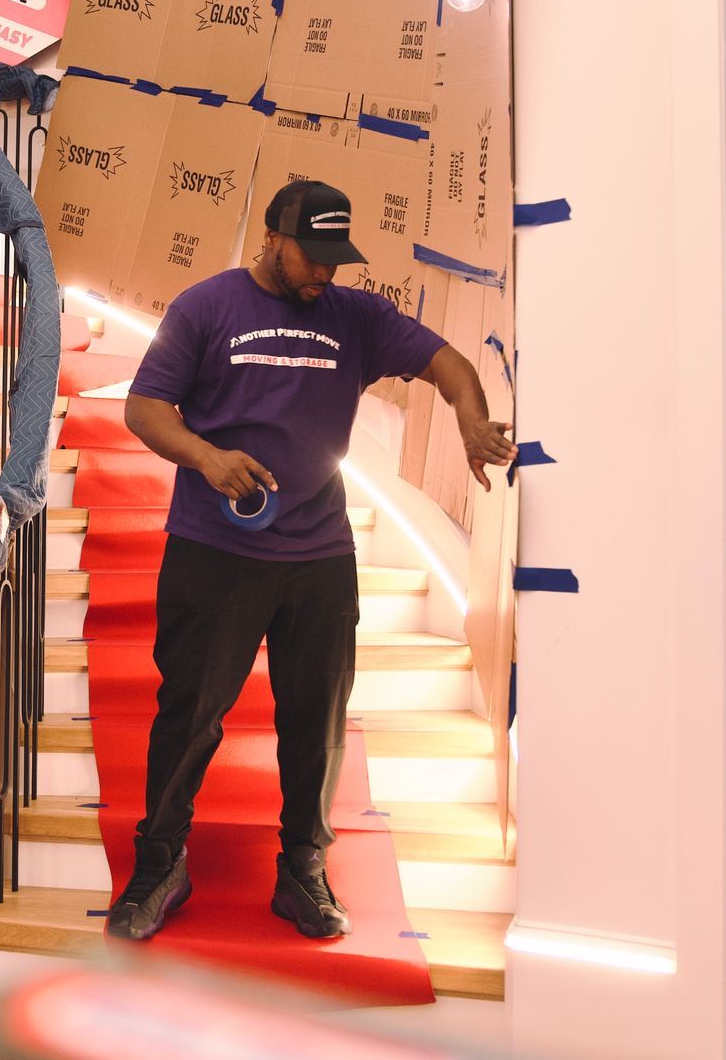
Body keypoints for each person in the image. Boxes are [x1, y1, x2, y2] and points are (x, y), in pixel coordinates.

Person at [107, 179, 516, 942]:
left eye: (336, 258)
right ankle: (160, 864)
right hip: (215, 550)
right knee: (190, 715)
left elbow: (449, 363)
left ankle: (303, 870)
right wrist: (206, 456)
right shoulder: (206, 307)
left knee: (316, 721)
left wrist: (470, 418)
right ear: (272, 239)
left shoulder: (355, 316)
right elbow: (145, 406)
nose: (324, 272)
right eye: (311, 256)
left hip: (319, 554)